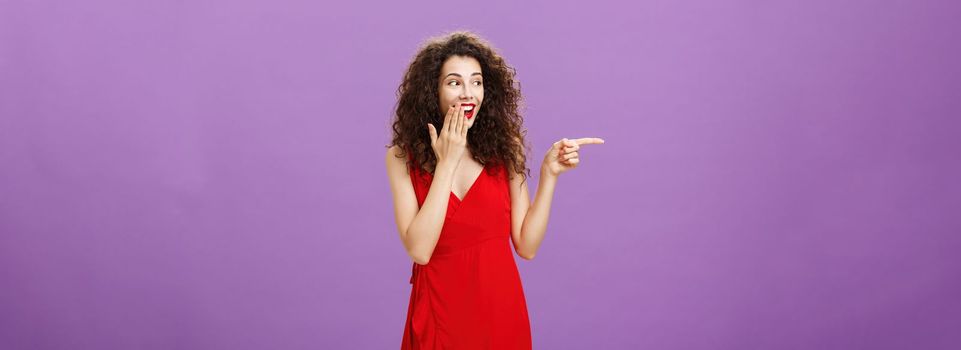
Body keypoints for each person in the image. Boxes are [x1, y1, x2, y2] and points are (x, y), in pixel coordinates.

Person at [385, 31, 604, 349]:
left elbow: (526, 246)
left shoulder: (505, 147)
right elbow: (419, 249)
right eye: (454, 83)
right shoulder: (401, 157)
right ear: (432, 91)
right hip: (438, 313)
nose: (468, 94)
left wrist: (549, 175)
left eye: (476, 82)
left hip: (500, 312)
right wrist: (446, 163)